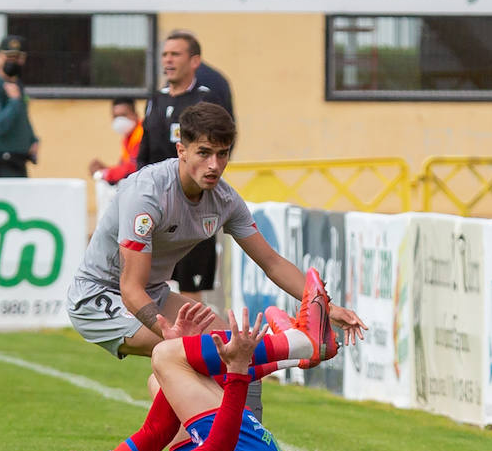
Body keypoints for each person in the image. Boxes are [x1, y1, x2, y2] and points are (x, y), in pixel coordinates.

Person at [66, 101, 367, 422]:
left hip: (152, 293)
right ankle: (296, 347)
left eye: (222, 154)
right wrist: (167, 331)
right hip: (98, 298)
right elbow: (130, 288)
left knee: (241, 357)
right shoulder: (147, 194)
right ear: (181, 149)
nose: (214, 165)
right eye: (204, 152)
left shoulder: (224, 199)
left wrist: (327, 307)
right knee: (219, 353)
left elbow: (272, 262)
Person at [11, 292, 332, 451]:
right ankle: (301, 344)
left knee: (162, 372)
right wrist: (235, 370)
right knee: (165, 358)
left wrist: (181, 350)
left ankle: (290, 359)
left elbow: (157, 430)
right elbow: (216, 450)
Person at [138, 30, 228, 302]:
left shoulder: (206, 99)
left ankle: (191, 344)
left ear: (194, 61)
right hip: (155, 203)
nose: (168, 60)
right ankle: (153, 342)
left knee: (189, 286)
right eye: (165, 54)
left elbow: (219, 147)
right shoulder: (155, 99)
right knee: (144, 280)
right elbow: (144, 149)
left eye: (175, 54)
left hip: (191, 205)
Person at [0, 35, 39, 178]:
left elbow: (22, 119)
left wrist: (32, 140)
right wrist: (14, 101)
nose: (14, 62)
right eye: (9, 57)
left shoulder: (17, 86)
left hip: (18, 164)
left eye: (18, 57)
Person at [87, 98, 144, 185]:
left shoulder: (142, 134)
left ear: (135, 115)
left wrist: (102, 173)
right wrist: (106, 169)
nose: (119, 120)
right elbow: (123, 168)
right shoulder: (128, 137)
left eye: (123, 115)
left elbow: (132, 168)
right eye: (115, 116)